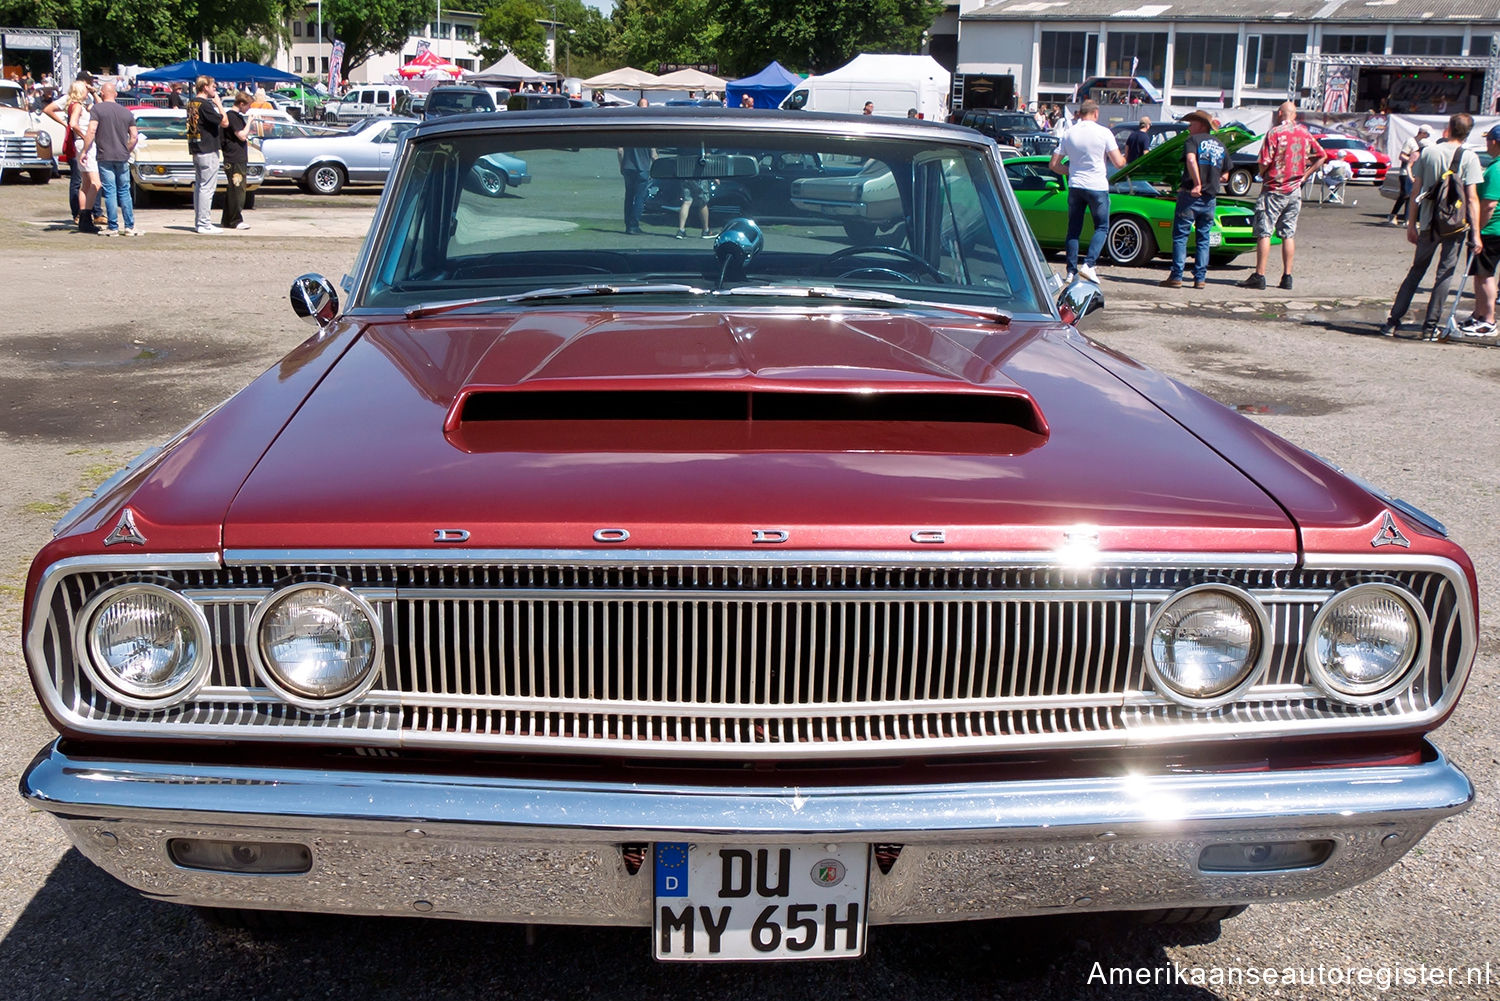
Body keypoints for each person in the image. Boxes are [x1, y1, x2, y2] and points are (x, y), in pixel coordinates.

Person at [1379, 113, 1483, 339]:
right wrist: (1476, 233)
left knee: (1416, 270)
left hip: (1428, 222)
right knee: (1445, 274)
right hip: (1455, 226)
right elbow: (1472, 198)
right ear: (1468, 133)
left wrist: (1411, 224)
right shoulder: (1469, 157)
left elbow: (1415, 191)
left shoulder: (1429, 153)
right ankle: (1429, 326)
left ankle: (1393, 322)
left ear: (1448, 128)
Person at [1239, 101, 1326, 290]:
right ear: (1294, 115)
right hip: (1294, 189)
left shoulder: (1275, 133)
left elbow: (1264, 161)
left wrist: (1263, 174)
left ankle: (1259, 275)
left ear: (1280, 114)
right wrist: (1305, 174)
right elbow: (1322, 155)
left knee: (1265, 232)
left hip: (1273, 189)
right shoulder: (1304, 132)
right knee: (1288, 233)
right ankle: (1287, 276)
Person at [1048, 99, 1125, 284]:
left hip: (1076, 185)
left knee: (1074, 229)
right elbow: (1118, 163)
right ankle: (1089, 265)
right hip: (1097, 185)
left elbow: (1053, 165)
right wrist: (1126, 157)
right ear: (1096, 113)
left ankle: (1071, 270)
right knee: (1102, 227)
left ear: (1080, 113)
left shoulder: (1069, 133)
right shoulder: (1104, 132)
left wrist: (1071, 171)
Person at [1160, 109, 1228, 289]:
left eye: (1192, 124)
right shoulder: (1220, 145)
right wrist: (1212, 178)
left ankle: (1176, 276)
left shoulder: (1192, 141)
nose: (1189, 127)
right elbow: (1226, 175)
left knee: (1181, 236)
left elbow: (1191, 160)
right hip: (1210, 199)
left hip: (1190, 195)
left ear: (1202, 125)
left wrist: (1198, 183)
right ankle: (1200, 278)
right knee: (1203, 238)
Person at [1456, 123, 1500, 339]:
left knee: (1484, 276)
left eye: (1488, 139)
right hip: (1495, 229)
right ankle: (1479, 313)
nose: (1486, 143)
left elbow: (1489, 204)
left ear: (1495, 142)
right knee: (1480, 274)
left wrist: (1477, 230)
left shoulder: (1496, 169)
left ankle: (1488, 320)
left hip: (1491, 229)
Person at [43, 71, 97, 226]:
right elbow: (49, 110)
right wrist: (65, 124)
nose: (90, 86)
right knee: (81, 179)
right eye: (89, 83)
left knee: (86, 181)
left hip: (82, 141)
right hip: (80, 141)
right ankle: (80, 213)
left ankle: (90, 213)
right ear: (83, 83)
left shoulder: (85, 99)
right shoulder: (73, 101)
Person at [86, 80, 139, 236]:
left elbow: (91, 130)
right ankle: (129, 226)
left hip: (105, 155)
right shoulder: (127, 112)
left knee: (110, 191)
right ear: (115, 94)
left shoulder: (97, 109)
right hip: (122, 156)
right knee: (124, 191)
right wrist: (127, 149)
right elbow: (134, 136)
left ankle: (113, 227)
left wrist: (85, 150)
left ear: (102, 93)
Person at [186, 75, 225, 234]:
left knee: (200, 187)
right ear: (204, 87)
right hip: (207, 148)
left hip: (196, 147)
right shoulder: (205, 105)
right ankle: (203, 223)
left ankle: (200, 222)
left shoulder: (191, 103)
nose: (215, 88)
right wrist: (219, 104)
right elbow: (224, 121)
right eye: (212, 86)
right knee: (207, 188)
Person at [220, 90, 252, 231]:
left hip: (235, 157)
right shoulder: (232, 117)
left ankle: (227, 219)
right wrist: (250, 122)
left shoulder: (234, 116)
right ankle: (235, 220)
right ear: (241, 104)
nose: (249, 109)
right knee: (237, 190)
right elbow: (242, 135)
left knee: (232, 190)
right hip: (234, 158)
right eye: (248, 106)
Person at [1388, 124, 1431, 226]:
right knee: (1405, 195)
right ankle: (1393, 215)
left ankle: (1408, 219)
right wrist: (1413, 161)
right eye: (1427, 134)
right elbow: (1401, 156)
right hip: (1405, 172)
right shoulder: (1410, 142)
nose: (1428, 136)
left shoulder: (1425, 144)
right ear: (1422, 133)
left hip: (1416, 172)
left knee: (1412, 195)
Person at [618, 137, 652, 234]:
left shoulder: (628, 134)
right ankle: (634, 225)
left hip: (628, 168)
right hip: (642, 169)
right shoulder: (650, 138)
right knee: (639, 198)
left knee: (628, 196)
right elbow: (654, 155)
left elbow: (620, 151)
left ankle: (628, 224)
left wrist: (621, 166)